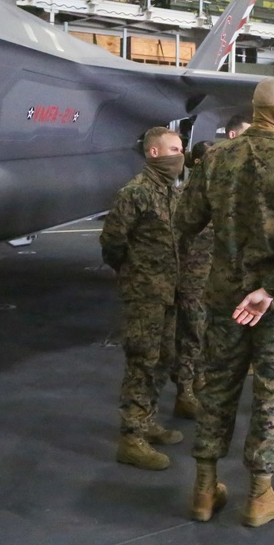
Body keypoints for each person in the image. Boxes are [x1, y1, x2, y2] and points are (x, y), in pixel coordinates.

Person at [176, 78, 274, 527]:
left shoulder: (216, 159)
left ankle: (204, 491)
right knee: (272, 395)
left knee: (216, 388)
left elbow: (186, 219)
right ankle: (260, 496)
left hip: (224, 297)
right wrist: (270, 287)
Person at [100, 126, 186, 470]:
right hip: (145, 293)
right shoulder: (135, 193)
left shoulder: (169, 192)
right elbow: (112, 242)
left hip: (169, 291)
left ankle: (147, 421)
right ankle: (131, 438)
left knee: (163, 358)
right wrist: (133, 273)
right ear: (154, 153)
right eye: (175, 149)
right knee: (142, 361)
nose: (180, 155)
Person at [173, 140, 214, 420]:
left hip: (212, 280)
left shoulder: (217, 194)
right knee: (191, 337)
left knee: (205, 335)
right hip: (191, 280)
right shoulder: (183, 195)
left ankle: (200, 380)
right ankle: (184, 392)